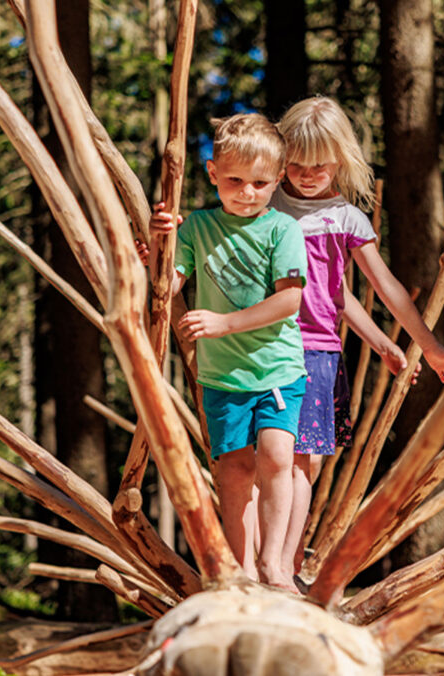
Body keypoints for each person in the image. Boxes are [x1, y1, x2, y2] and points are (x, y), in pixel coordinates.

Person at [270, 96, 444, 577]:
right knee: (269, 459)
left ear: (340, 159)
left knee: (305, 463)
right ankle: (263, 563)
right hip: (264, 345)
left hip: (317, 351)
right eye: (296, 164)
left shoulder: (345, 219)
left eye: (320, 165)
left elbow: (366, 293)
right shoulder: (266, 205)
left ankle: (287, 566)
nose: (308, 174)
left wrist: (409, 344)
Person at [146, 113, 307, 592]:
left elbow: (289, 300)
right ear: (212, 172)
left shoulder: (282, 230)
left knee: (277, 457)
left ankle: (274, 563)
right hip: (223, 378)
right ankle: (238, 569)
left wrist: (223, 323)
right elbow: (166, 283)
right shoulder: (196, 227)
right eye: (235, 180)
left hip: (277, 368)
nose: (248, 192)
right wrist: (159, 243)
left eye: (260, 183)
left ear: (278, 181)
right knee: (234, 470)